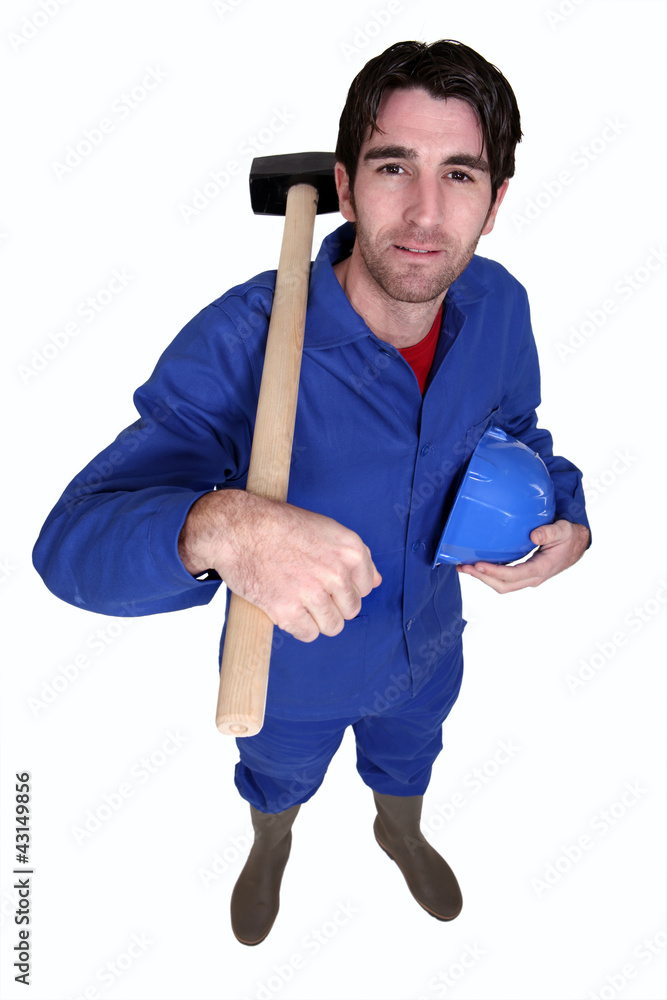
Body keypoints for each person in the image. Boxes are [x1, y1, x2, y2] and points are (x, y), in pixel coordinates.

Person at [33, 39, 590, 945]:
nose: (424, 210)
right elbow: (69, 547)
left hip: (429, 649)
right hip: (290, 671)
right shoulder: (245, 338)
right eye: (392, 166)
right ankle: (271, 841)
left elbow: (518, 429)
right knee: (277, 778)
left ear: (494, 203)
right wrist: (218, 525)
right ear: (344, 185)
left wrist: (569, 514)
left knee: (410, 759)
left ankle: (398, 829)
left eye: (458, 174)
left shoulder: (498, 305)